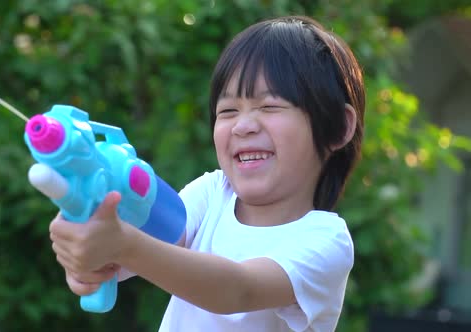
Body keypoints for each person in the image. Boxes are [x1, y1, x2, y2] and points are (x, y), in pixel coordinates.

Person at [49, 15, 365, 332]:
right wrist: (89, 258)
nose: (243, 126)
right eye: (227, 111)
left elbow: (238, 291)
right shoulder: (213, 192)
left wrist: (122, 244)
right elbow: (148, 249)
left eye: (269, 106)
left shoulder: (326, 241)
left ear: (338, 126)